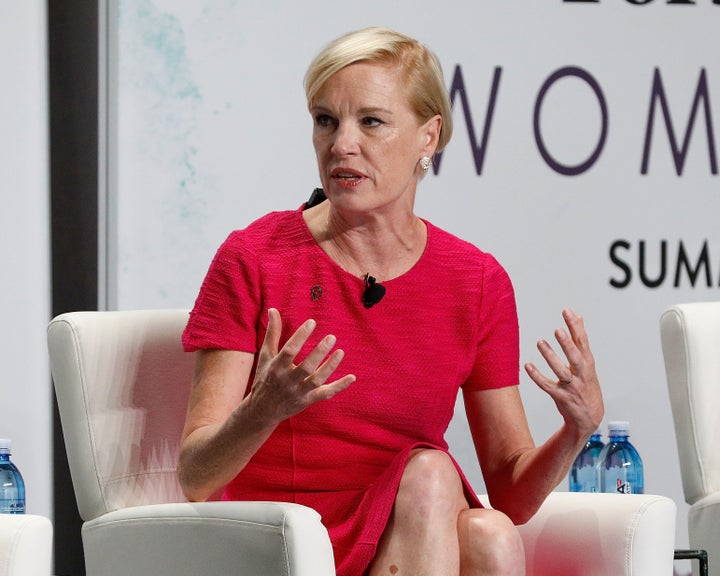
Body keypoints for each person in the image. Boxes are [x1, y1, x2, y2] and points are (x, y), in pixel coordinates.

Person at [178, 27, 604, 576]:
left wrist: (576, 432)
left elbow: (513, 495)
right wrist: (262, 410)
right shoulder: (255, 257)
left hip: (412, 525)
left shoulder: (475, 280)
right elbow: (196, 476)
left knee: (491, 533)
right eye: (325, 120)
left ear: (429, 137)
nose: (341, 145)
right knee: (435, 480)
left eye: (371, 122)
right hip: (283, 540)